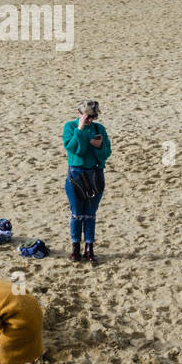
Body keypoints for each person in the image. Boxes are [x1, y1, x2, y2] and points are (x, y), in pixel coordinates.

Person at [62, 99, 111, 263]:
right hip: (76, 175)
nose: (90, 120)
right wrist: (80, 129)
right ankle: (75, 248)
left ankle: (89, 248)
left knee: (90, 214)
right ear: (79, 113)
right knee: (77, 213)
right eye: (87, 116)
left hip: (95, 174)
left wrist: (99, 147)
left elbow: (106, 153)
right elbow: (73, 149)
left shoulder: (99, 129)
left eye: (93, 117)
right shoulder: (70, 127)